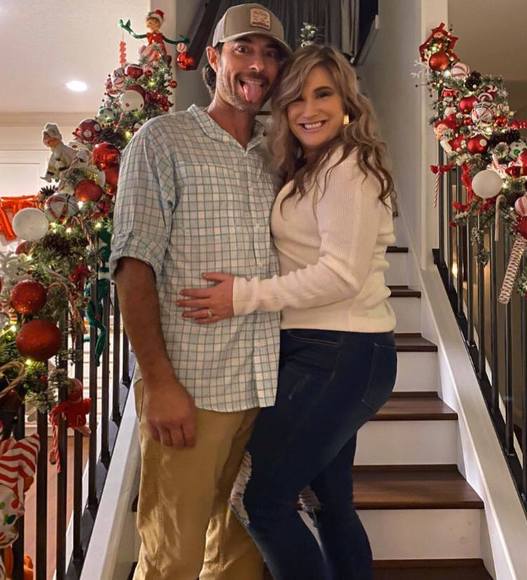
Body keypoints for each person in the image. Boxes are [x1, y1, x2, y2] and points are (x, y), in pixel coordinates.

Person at [177, 45, 398, 580]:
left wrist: (243, 296)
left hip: (340, 352)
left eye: (323, 94)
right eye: (295, 97)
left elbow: (340, 275)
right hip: (327, 348)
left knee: (258, 500)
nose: (308, 109)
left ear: (347, 103)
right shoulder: (313, 167)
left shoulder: (347, 167)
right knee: (329, 503)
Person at [109, 4, 290, 579]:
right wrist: (159, 383)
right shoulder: (162, 139)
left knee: (239, 554)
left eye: (270, 54)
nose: (257, 65)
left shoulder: (280, 151)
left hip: (266, 387)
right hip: (193, 387)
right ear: (213, 58)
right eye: (244, 49)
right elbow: (133, 264)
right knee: (172, 557)